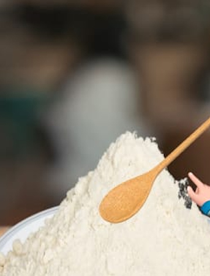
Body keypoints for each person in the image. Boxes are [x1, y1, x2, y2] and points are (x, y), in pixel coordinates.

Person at [44, 9, 151, 201]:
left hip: (67, 175)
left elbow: (51, 121)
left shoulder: (79, 75)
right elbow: (134, 132)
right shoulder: (120, 75)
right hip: (108, 177)